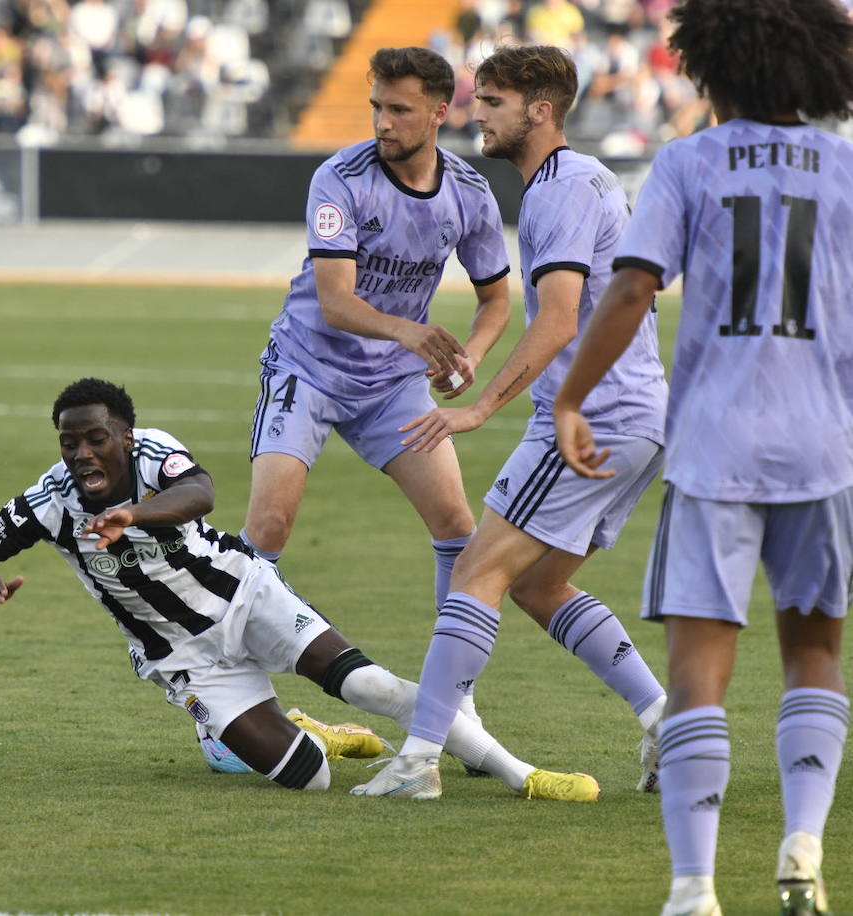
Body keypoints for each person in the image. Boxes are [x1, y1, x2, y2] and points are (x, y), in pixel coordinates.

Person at [0, 377, 600, 801]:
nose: (81, 455)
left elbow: (200, 492)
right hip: (184, 660)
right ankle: (316, 733)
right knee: (308, 777)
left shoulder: (152, 453)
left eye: (95, 439)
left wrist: (135, 514)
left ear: (125, 437)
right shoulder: (50, 503)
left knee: (370, 686)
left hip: (246, 598)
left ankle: (524, 776)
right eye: (69, 443)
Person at [552, 1, 853, 912]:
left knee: (697, 677)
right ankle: (802, 840)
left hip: (717, 442)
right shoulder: (846, 169)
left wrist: (571, 395)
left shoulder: (689, 160)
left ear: (712, 65)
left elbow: (635, 284)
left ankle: (693, 886)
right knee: (812, 654)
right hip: (823, 447)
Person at [369, 44, 669, 801]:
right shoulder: (587, 179)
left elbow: (560, 318)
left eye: (493, 102)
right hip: (637, 418)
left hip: (590, 420)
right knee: (539, 585)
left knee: (477, 572)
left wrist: (479, 407)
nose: (478, 114)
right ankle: (665, 715)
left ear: (540, 109)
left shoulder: (559, 190)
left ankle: (418, 763)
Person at [238, 46, 513, 747]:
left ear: (438, 112)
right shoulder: (341, 178)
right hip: (308, 365)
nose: (383, 123)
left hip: (392, 385)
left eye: (398, 109)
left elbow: (495, 300)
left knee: (458, 526)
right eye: (376, 107)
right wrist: (414, 333)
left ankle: (457, 699)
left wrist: (470, 359)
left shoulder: (470, 193)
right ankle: (233, 695)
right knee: (268, 527)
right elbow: (335, 302)